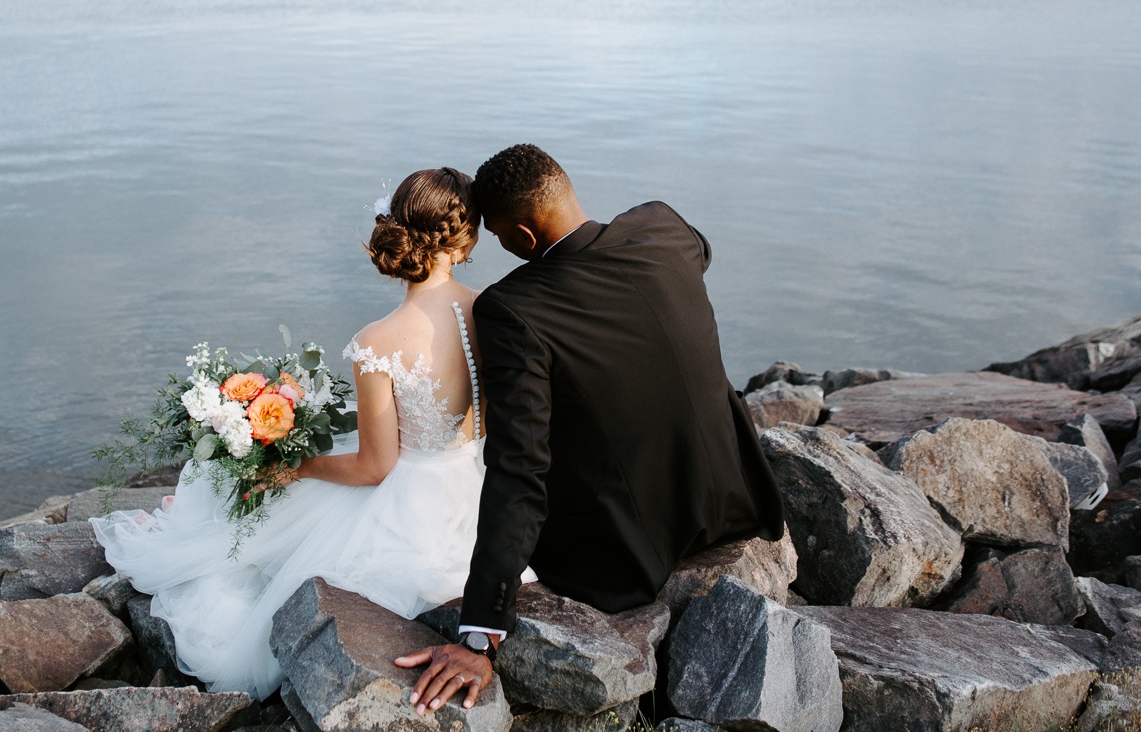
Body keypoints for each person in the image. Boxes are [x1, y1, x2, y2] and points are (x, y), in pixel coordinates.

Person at [91, 167, 534, 700]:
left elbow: (375, 467)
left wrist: (295, 468)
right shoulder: (495, 308)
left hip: (412, 508)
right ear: (467, 241)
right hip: (481, 492)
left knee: (284, 502)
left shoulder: (380, 340)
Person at [397, 144, 785, 716]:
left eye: (503, 239)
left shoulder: (512, 309)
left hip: (631, 549)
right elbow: (701, 252)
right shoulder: (663, 227)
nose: (504, 251)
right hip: (733, 491)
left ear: (525, 239)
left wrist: (480, 632)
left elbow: (519, 468)